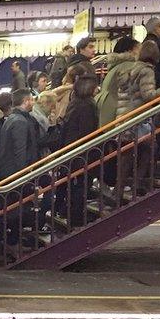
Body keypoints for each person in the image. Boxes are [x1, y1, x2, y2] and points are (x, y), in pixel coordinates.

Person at [117, 41, 160, 195]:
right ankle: (136, 184)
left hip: (124, 116)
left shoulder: (130, 68)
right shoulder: (146, 71)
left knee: (127, 154)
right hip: (138, 117)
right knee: (150, 148)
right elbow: (148, 95)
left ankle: (120, 189)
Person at [61, 76, 100, 226]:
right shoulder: (88, 106)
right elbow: (87, 131)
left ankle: (72, 212)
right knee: (82, 185)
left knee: (75, 185)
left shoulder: (74, 103)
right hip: (82, 153)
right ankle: (77, 216)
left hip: (72, 150)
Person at [0, 89, 40, 181]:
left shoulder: (11, 118)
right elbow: (20, 151)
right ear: (26, 101)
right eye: (31, 100)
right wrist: (24, 174)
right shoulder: (20, 121)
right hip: (16, 174)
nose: (33, 102)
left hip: (8, 171)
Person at [96, 37, 141, 127]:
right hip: (116, 114)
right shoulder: (128, 66)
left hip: (106, 109)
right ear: (131, 50)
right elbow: (127, 95)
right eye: (139, 48)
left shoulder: (115, 67)